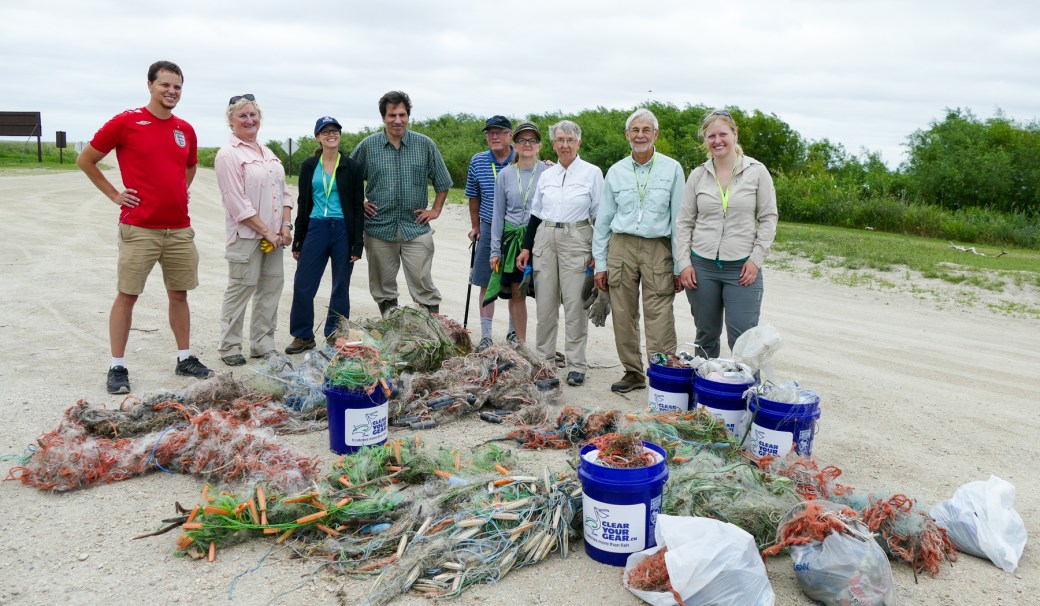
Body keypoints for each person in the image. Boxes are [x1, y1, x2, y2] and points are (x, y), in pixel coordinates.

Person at [76, 60, 213, 394]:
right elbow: (86, 159)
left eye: (177, 86)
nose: (171, 91)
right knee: (128, 295)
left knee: (179, 294)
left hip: (178, 229)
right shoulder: (127, 122)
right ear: (150, 85)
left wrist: (180, 189)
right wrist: (115, 195)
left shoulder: (185, 129)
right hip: (140, 228)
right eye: (165, 84)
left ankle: (184, 358)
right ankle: (117, 366)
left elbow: (190, 166)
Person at [593, 108, 686, 393]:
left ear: (655, 134)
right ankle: (633, 373)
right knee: (623, 313)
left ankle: (663, 375)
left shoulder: (672, 169)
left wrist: (680, 265)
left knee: (659, 312)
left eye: (646, 130)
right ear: (627, 135)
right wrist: (600, 263)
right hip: (621, 245)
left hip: (658, 246)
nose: (640, 135)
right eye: (635, 130)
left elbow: (679, 220)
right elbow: (603, 220)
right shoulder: (616, 171)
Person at [675, 110, 778, 358]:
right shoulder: (698, 175)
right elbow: (684, 223)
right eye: (711, 136)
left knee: (744, 340)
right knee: (706, 335)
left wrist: (755, 260)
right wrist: (684, 263)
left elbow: (768, 218)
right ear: (705, 140)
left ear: (735, 134)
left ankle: (747, 384)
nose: (717, 140)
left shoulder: (757, 171)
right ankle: (705, 382)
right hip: (702, 268)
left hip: (742, 269)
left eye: (723, 134)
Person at [516, 120, 603, 386]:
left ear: (579, 143)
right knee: (545, 305)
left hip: (577, 237)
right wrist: (526, 247)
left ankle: (576, 365)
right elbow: (535, 214)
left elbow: (600, 215)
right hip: (545, 237)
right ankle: (544, 363)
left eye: (570, 140)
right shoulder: (546, 175)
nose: (565, 145)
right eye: (560, 140)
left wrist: (599, 252)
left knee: (576, 305)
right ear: (553, 144)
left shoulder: (592, 173)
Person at [350, 91, 453, 316]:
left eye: (402, 115)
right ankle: (391, 325)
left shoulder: (425, 144)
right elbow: (347, 179)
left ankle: (432, 328)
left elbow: (443, 182)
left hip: (415, 227)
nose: (397, 120)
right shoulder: (368, 146)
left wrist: (435, 210)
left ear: (408, 116)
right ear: (383, 117)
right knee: (383, 286)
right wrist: (359, 203)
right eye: (392, 115)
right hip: (378, 228)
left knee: (423, 284)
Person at [213, 94, 294, 366]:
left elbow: (284, 194)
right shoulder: (228, 155)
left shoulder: (268, 153)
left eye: (253, 115)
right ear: (231, 120)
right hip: (247, 238)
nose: (249, 120)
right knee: (240, 290)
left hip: (275, 239)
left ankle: (263, 344)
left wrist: (285, 226)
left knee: (270, 290)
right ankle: (230, 347)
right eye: (242, 116)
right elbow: (236, 203)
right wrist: (267, 232)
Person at [284, 116, 365, 354]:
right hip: (316, 227)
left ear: (339, 135)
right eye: (326, 131)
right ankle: (303, 335)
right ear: (318, 137)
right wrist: (298, 240)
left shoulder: (351, 166)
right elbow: (303, 203)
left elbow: (358, 207)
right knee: (303, 284)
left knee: (340, 285)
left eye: (335, 130)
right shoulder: (309, 166)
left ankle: (335, 335)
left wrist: (357, 244)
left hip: (342, 229)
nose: (331, 134)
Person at [487, 122, 548, 346]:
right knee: (516, 293)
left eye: (532, 140)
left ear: (539, 145)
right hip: (512, 240)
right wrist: (495, 251)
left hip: (540, 240)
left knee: (545, 294)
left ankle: (545, 347)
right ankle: (521, 344)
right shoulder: (504, 175)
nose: (527, 144)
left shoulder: (549, 172)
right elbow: (498, 215)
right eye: (522, 140)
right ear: (515, 144)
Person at [466, 115, 516, 351]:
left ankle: (514, 333)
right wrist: (475, 226)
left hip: (516, 228)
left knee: (515, 283)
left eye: (499, 132)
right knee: (486, 281)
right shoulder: (478, 161)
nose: (494, 137)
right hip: (487, 225)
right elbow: (473, 196)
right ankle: (486, 337)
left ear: (510, 135)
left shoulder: (522, 158)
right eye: (490, 133)